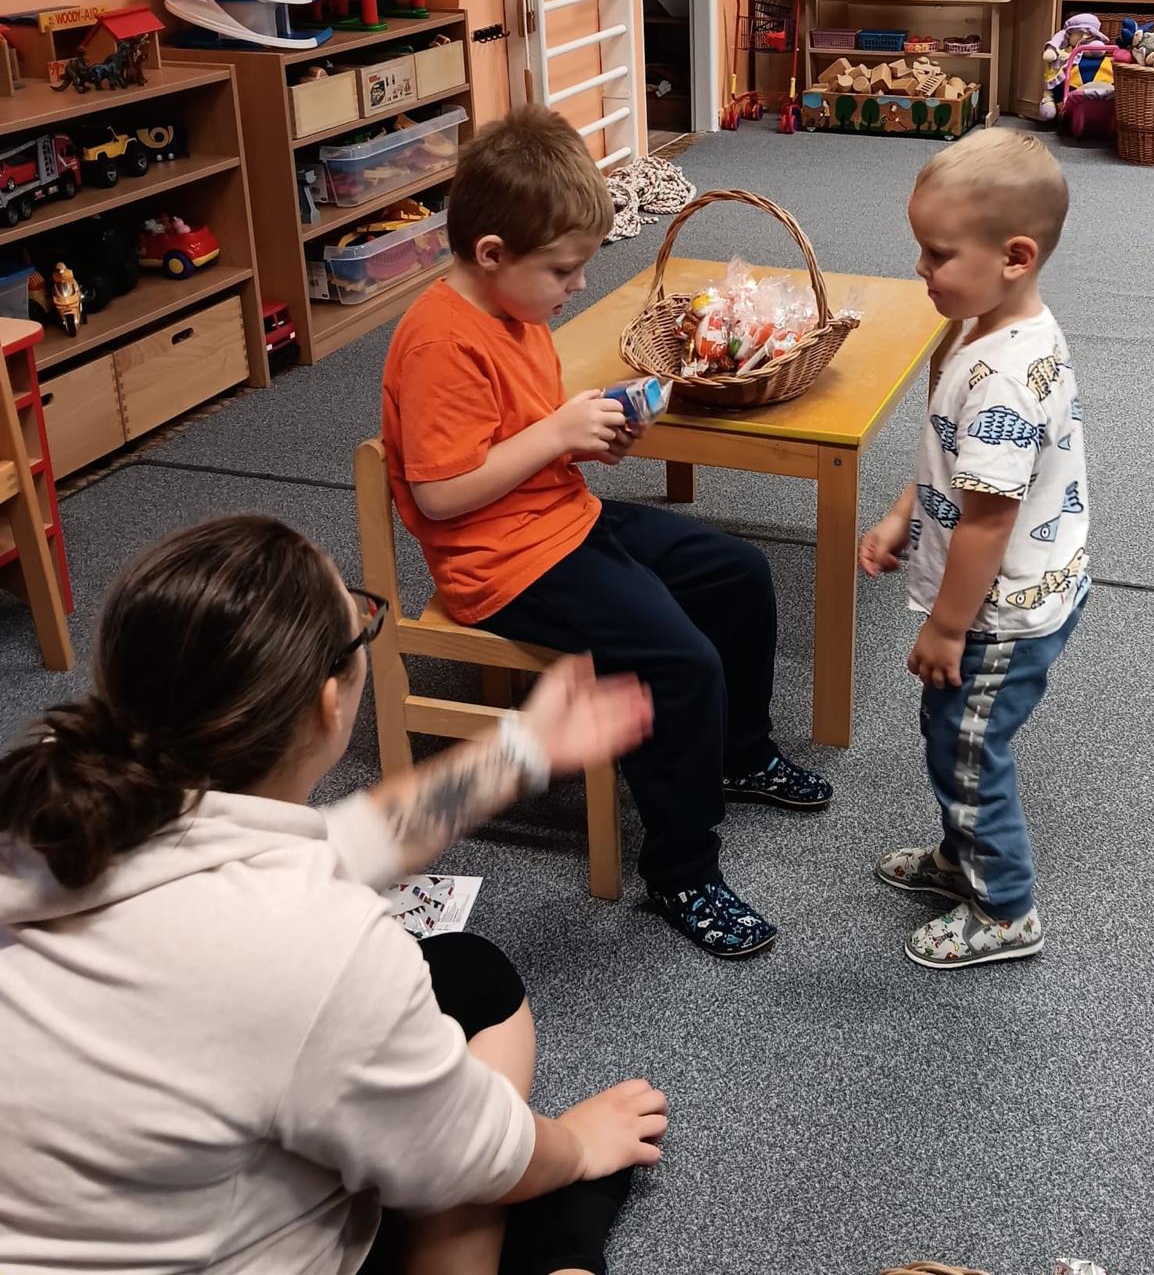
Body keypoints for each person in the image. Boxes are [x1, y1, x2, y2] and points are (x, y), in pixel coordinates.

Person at [0, 515, 666, 1275]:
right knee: (554, 1194)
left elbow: (345, 841)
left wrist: (520, 752)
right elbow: (473, 1154)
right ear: (328, 703)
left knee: (468, 973)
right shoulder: (318, 945)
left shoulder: (59, 791)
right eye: (362, 618)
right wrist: (576, 1145)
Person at [380, 105, 831, 960]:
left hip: (557, 518)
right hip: (500, 563)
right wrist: (557, 435)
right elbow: (439, 496)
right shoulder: (439, 341)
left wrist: (583, 437)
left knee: (738, 572)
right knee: (679, 660)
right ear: (491, 254)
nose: (578, 286)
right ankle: (681, 871)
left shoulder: (513, 310)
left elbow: (513, 437)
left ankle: (739, 753)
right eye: (564, 270)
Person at [858, 128, 1089, 970]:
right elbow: (951, 459)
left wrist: (948, 627)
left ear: (1015, 257)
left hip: (996, 614)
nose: (921, 268)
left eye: (938, 253)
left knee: (969, 750)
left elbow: (989, 522)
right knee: (951, 736)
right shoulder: (984, 326)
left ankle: (1006, 909)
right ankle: (963, 859)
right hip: (1007, 590)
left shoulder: (1002, 378)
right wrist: (903, 514)